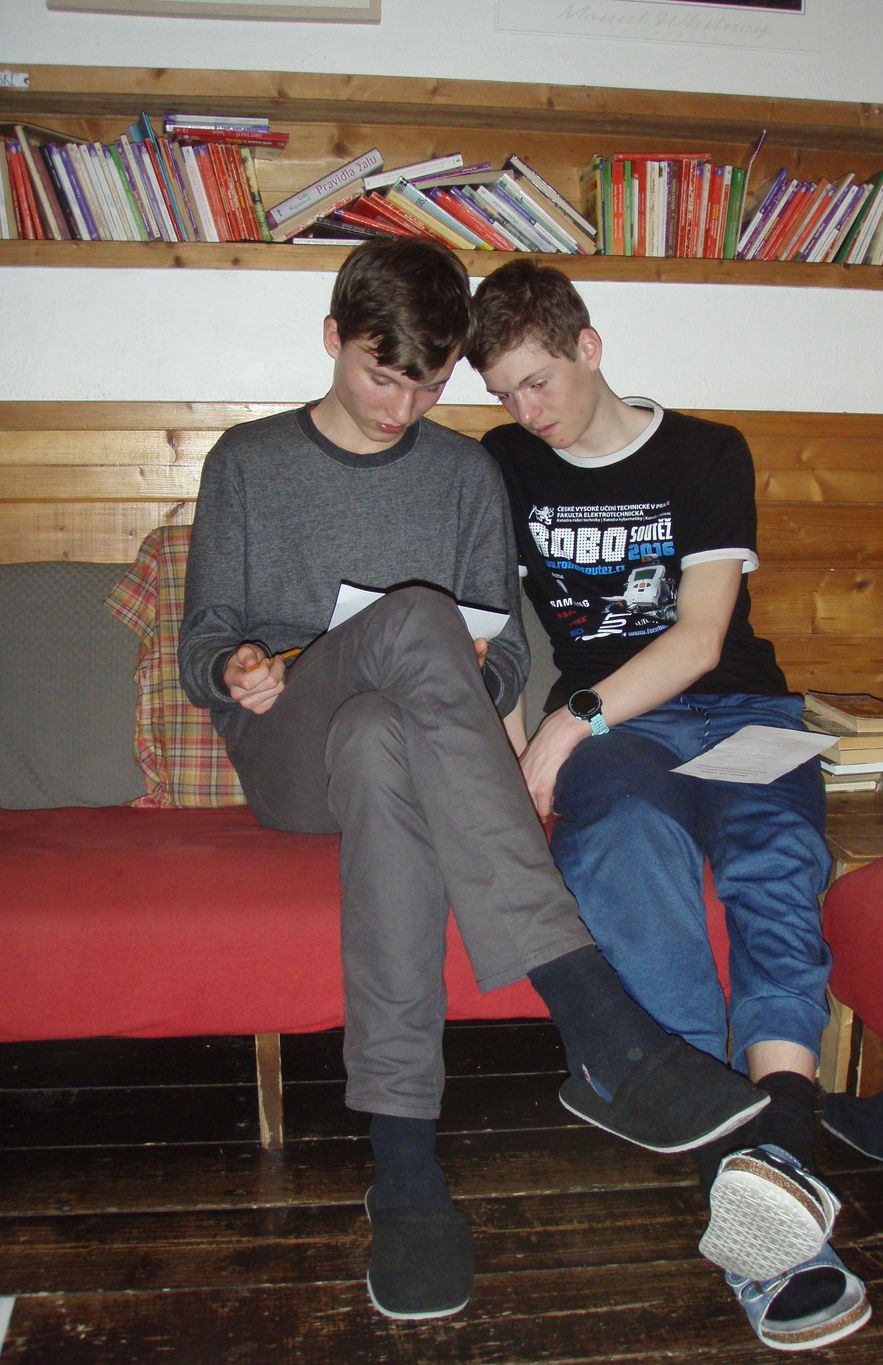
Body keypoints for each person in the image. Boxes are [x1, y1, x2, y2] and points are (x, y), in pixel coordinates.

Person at [178, 239, 768, 1324]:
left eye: (429, 384)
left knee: (381, 731)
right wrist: (237, 668)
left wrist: (471, 669)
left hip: (390, 745)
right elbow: (203, 640)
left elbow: (504, 661)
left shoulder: (464, 475)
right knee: (412, 622)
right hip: (286, 750)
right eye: (381, 376)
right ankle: (595, 1016)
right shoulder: (247, 461)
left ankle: (404, 1169)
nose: (401, 408)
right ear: (333, 340)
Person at [468, 259, 871, 1352]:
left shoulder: (705, 451)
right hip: (624, 739)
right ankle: (731, 1152)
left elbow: (699, 638)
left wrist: (568, 722)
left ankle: (776, 1154)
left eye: (540, 381)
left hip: (735, 708)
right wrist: (520, 755)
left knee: (775, 854)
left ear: (589, 347)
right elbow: (495, 633)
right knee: (622, 840)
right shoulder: (503, 463)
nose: (527, 411)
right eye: (503, 392)